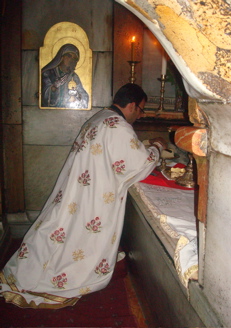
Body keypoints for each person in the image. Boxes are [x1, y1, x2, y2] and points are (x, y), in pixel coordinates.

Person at [0, 83, 166, 309]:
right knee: (75, 233)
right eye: (141, 109)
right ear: (132, 105)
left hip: (82, 188)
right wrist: (156, 147)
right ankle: (61, 274)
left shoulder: (100, 117)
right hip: (94, 193)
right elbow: (138, 164)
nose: (140, 114)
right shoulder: (117, 125)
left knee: (66, 228)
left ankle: (36, 267)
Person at [41, 43, 89, 108]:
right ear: (61, 57)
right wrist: (54, 87)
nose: (72, 60)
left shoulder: (74, 76)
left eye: (75, 59)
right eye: (69, 56)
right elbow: (43, 96)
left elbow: (84, 97)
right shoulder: (48, 73)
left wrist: (77, 95)